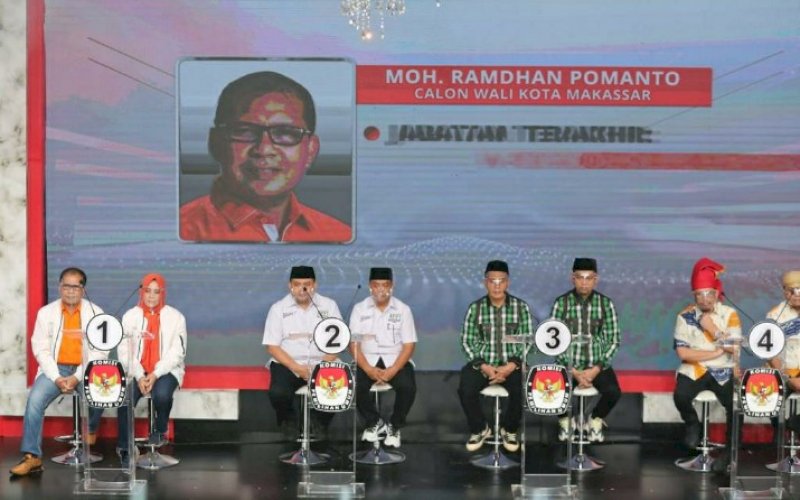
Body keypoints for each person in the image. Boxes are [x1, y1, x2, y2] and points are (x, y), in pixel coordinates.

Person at [180, 71, 351, 243]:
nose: (264, 149)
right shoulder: (181, 231)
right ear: (215, 143)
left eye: (285, 133)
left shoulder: (339, 237)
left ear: (311, 150)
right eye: (244, 131)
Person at [10, 268, 106, 477]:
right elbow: (40, 348)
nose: (70, 291)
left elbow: (100, 351)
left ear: (83, 289)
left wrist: (76, 376)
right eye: (66, 286)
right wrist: (57, 377)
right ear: (59, 287)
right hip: (56, 368)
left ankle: (90, 428)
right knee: (35, 399)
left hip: (85, 368)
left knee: (102, 391)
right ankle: (32, 457)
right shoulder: (46, 313)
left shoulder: (96, 313)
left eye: (75, 286)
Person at [457, 260, 534, 453]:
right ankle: (480, 428)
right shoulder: (475, 309)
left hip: (512, 365)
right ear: (485, 283)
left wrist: (511, 365)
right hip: (483, 365)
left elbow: (528, 341)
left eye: (501, 281)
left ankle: (509, 429)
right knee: (465, 388)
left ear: (508, 283)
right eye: (493, 281)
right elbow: (467, 341)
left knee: (522, 387)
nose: (497, 286)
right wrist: (484, 366)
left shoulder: (520, 308)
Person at [673, 257, 740, 473]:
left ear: (717, 293)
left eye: (708, 293)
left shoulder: (729, 314)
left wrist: (713, 330)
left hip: (722, 370)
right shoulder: (684, 316)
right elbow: (683, 353)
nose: (704, 299)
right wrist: (715, 351)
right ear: (694, 296)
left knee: (735, 408)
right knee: (681, 396)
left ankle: (728, 454)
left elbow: (735, 347)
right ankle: (692, 423)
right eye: (699, 294)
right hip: (694, 369)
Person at [116, 273, 187, 467]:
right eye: (148, 291)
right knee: (124, 401)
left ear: (162, 293)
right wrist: (140, 375)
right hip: (137, 371)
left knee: (162, 395)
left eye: (156, 292)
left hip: (166, 371)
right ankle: (126, 449)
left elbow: (177, 352)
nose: (151, 296)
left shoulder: (176, 317)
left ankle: (160, 429)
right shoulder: (130, 316)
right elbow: (124, 351)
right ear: (141, 291)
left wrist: (155, 374)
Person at [263, 266, 342, 439]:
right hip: (289, 363)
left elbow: (338, 343)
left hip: (322, 362)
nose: (302, 289)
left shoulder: (329, 306)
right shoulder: (278, 308)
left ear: (315, 285)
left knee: (338, 387)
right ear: (290, 286)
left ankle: (319, 422)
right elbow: (272, 346)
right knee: (278, 393)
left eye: (307, 284)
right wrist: (297, 368)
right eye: (297, 284)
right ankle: (288, 420)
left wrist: (321, 365)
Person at [551, 258, 621, 443]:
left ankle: (595, 419)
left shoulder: (605, 304)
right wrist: (573, 370)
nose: (584, 282)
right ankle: (566, 422)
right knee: (553, 392)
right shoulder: (561, 303)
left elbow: (613, 340)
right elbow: (553, 343)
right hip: (569, 365)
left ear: (595, 279)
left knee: (613, 392)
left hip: (596, 365)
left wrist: (595, 369)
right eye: (579, 277)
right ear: (572, 279)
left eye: (588, 278)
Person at [349, 267, 417, 448]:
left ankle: (395, 425)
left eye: (385, 285)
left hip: (395, 359)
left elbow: (409, 345)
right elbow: (354, 343)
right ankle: (374, 422)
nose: (380, 289)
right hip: (367, 358)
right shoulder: (359, 309)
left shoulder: (403, 310)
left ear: (392, 286)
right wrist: (368, 368)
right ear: (370, 287)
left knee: (408, 387)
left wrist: (393, 369)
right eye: (376, 285)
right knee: (354, 385)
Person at [766, 270, 800, 434]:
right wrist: (790, 378)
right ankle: (784, 437)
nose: (796, 295)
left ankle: (795, 423)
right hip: (783, 371)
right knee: (771, 403)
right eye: (791, 290)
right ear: (784, 292)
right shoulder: (774, 316)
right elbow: (771, 353)